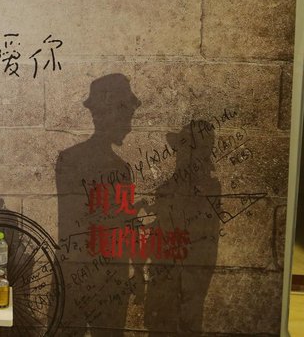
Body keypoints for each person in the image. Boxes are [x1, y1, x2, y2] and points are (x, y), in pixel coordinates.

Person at [55, 73, 141, 333]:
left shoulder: (74, 159)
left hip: (90, 272)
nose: (128, 126)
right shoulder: (76, 161)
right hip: (92, 273)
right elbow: (75, 224)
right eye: (125, 116)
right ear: (107, 114)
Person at [143, 121, 220, 334]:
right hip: (164, 283)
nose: (183, 154)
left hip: (190, 285)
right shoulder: (165, 190)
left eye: (190, 148)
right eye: (182, 147)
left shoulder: (211, 189)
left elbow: (207, 246)